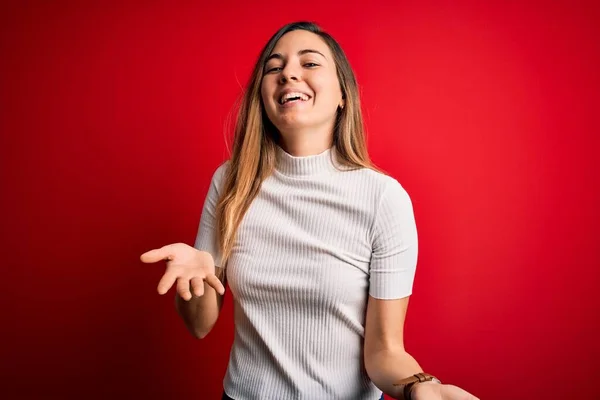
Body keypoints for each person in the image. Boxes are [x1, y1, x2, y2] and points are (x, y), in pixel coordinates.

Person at [141, 21, 478, 400]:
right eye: (274, 67)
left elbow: (384, 352)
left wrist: (423, 387)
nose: (289, 73)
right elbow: (199, 326)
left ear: (343, 95)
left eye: (310, 63)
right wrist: (194, 283)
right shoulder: (232, 183)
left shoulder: (384, 198)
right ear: (263, 97)